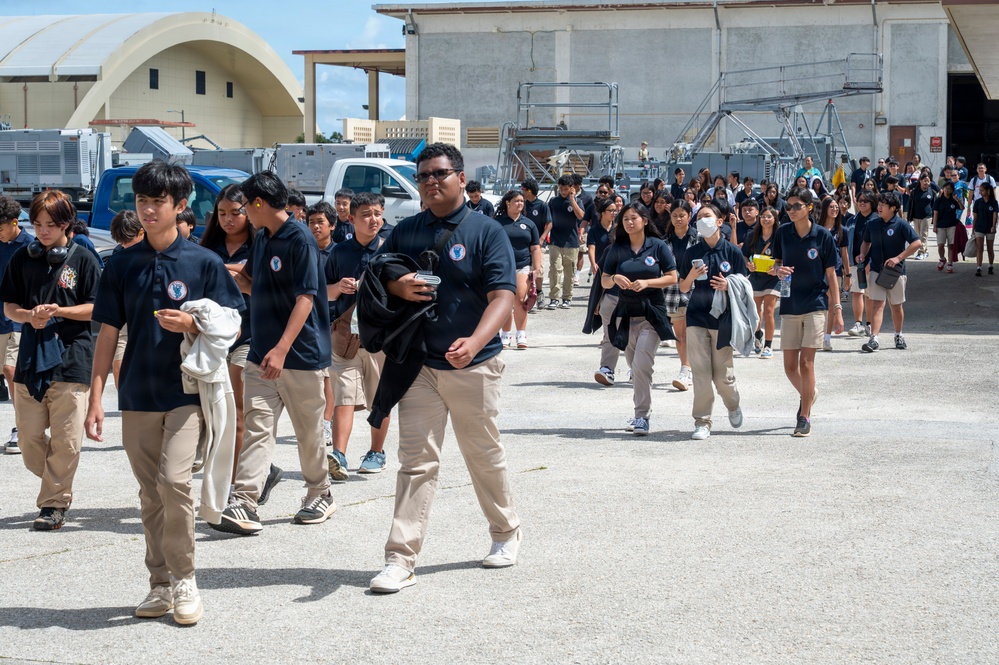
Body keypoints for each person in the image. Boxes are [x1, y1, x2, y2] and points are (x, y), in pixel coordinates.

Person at [85, 160, 246, 625]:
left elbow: (232, 324)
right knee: (150, 494)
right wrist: (97, 399)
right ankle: (159, 584)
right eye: (142, 201)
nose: (148, 209)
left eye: (158, 202)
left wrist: (193, 323)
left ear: (180, 207)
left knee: (175, 482)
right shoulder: (121, 263)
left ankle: (185, 579)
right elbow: (107, 333)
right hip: (135, 394)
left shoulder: (204, 262)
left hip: (185, 393)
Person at [366, 143, 520, 594]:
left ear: (459, 176)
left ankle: (505, 533)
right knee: (415, 462)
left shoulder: (486, 231)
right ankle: (400, 558)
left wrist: (474, 342)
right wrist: (397, 282)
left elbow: (503, 297)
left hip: (474, 365)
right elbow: (376, 272)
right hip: (418, 366)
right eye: (423, 176)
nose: (431, 182)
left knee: (483, 455)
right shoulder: (406, 230)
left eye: (439, 174)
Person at [221, 171, 334, 534]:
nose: (243, 217)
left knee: (308, 433)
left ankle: (320, 492)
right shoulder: (262, 238)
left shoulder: (299, 239)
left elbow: (306, 298)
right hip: (261, 353)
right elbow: (254, 284)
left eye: (245, 208)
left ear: (258, 204)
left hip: (298, 356)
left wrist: (282, 349)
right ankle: (245, 500)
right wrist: (221, 274)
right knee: (257, 429)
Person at [0, 190, 100, 530]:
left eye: (51, 225)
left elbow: (96, 308)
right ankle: (58, 481)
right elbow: (8, 305)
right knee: (28, 440)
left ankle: (53, 505)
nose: (43, 231)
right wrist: (28, 316)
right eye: (38, 224)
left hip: (73, 359)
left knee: (67, 440)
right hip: (30, 358)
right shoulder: (21, 259)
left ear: (66, 224)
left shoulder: (84, 258)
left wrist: (59, 311)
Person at [200, 185, 282, 501]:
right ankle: (263, 469)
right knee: (215, 416)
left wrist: (225, 273)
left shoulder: (260, 244)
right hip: (213, 340)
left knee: (239, 414)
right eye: (222, 213)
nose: (229, 219)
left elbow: (258, 282)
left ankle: (236, 487)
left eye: (235, 212)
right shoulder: (207, 249)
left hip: (249, 337)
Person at [325, 192, 390, 477]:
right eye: (365, 214)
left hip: (379, 338)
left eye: (376, 213)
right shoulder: (339, 252)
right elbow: (320, 293)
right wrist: (339, 287)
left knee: (380, 398)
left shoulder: (389, 251)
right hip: (343, 338)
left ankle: (376, 452)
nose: (372, 219)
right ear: (351, 220)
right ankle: (338, 454)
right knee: (344, 397)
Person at [600, 203, 678, 436]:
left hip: (651, 314)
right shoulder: (617, 249)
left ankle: (642, 416)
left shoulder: (658, 246)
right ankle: (639, 413)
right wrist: (614, 278)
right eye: (625, 219)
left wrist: (648, 283)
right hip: (625, 315)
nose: (629, 222)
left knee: (643, 365)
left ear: (645, 220)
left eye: (633, 218)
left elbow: (673, 277)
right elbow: (603, 280)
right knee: (635, 366)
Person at [772, 188, 842, 437]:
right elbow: (775, 263)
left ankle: (805, 415)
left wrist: (837, 308)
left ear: (809, 207)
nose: (790, 211)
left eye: (796, 206)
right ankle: (809, 393)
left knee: (806, 362)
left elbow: (832, 274)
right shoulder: (783, 232)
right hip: (789, 303)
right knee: (790, 367)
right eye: (788, 207)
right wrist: (776, 270)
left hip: (815, 304)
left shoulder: (822, 236)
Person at [677, 204, 748, 440]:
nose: (702, 221)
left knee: (722, 374)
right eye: (698, 218)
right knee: (700, 372)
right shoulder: (691, 252)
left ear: (720, 221)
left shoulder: (732, 252)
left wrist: (730, 285)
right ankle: (702, 420)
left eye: (706, 217)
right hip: (696, 316)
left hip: (723, 319)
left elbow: (744, 287)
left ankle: (733, 404)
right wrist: (691, 276)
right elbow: (683, 288)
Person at [856, 192, 922, 352]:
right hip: (876, 270)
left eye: (882, 205)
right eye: (878, 204)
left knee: (896, 305)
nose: (878, 207)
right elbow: (866, 242)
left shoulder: (901, 224)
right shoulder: (872, 224)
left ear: (893, 208)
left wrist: (899, 258)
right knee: (877, 304)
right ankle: (874, 339)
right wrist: (863, 254)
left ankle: (898, 335)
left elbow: (917, 243)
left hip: (896, 272)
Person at [307, 200, 341, 444]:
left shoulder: (338, 253)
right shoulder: (302, 250)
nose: (316, 227)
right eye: (311, 222)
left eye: (321, 222)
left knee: (328, 376)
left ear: (333, 226)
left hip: (330, 321)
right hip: (305, 320)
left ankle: (326, 423)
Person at [0, 196, 32, 453]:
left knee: (13, 371)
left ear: (14, 222)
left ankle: (22, 426)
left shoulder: (29, 247)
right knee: (6, 372)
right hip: (0, 320)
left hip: (20, 320)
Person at [495, 190, 541, 349]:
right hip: (502, 267)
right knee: (506, 300)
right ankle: (505, 334)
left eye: (522, 201)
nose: (520, 203)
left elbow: (535, 248)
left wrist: (537, 267)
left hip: (523, 266)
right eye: (516, 201)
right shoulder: (497, 222)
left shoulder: (529, 223)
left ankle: (521, 333)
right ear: (508, 203)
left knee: (520, 299)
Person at [107, 210, 145, 389]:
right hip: (124, 316)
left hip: (151, 315)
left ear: (141, 232)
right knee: (119, 363)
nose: (124, 245)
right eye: (121, 242)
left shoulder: (155, 251)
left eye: (128, 241)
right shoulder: (118, 255)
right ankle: (125, 401)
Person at [663, 200, 698, 387]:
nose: (678, 219)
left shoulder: (698, 238)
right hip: (672, 293)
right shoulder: (665, 241)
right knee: (680, 335)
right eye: (675, 215)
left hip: (696, 292)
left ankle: (691, 368)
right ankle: (685, 368)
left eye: (682, 215)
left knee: (694, 334)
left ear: (689, 217)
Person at [589, 197, 623, 385]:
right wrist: (598, 302)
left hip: (637, 300)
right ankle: (607, 368)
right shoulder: (610, 249)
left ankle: (636, 369)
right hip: (612, 295)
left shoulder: (649, 248)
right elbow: (603, 279)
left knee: (634, 338)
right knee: (610, 335)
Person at [742, 205, 779, 359]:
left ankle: (768, 346)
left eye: (769, 216)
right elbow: (744, 255)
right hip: (756, 278)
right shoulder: (752, 236)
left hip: (773, 279)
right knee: (756, 313)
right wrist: (748, 265)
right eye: (763, 216)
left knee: (770, 311)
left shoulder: (779, 236)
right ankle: (758, 335)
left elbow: (784, 257)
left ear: (775, 219)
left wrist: (777, 267)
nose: (765, 219)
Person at [546, 174, 585, 309]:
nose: (563, 191)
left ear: (571, 188)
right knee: (555, 270)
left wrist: (572, 199)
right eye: (561, 189)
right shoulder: (553, 201)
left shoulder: (577, 202)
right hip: (555, 241)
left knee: (569, 272)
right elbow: (547, 219)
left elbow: (580, 216)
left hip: (571, 242)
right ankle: (553, 298)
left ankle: (567, 298)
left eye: (566, 189)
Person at [817, 198, 851, 352]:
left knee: (831, 304)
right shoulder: (816, 229)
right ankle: (816, 336)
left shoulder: (842, 230)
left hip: (835, 270)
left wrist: (848, 274)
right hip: (817, 270)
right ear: (825, 209)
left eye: (836, 207)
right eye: (831, 207)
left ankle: (827, 338)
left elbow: (844, 254)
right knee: (818, 304)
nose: (835, 210)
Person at [846, 191, 878, 338]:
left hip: (872, 264)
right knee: (856, 293)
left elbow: (878, 244)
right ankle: (858, 323)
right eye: (859, 200)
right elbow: (846, 243)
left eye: (865, 200)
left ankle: (869, 325)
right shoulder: (852, 220)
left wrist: (871, 261)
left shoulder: (877, 220)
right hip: (855, 261)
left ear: (872, 203)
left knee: (869, 295)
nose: (862, 203)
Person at [520, 178, 551, 301]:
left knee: (538, 269)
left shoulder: (542, 205)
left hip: (538, 243)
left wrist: (542, 238)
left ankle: (539, 292)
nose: (522, 191)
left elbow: (549, 223)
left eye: (524, 189)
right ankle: (528, 295)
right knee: (526, 270)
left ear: (530, 190)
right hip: (524, 243)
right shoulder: (522, 204)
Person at [932, 180, 963, 273]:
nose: (947, 190)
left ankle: (950, 263)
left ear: (951, 190)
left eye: (949, 189)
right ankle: (942, 258)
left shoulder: (954, 200)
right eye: (945, 188)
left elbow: (962, 208)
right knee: (940, 245)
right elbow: (935, 213)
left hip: (952, 225)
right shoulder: (938, 200)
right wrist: (934, 225)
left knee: (951, 245)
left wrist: (958, 200)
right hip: (941, 225)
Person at [907, 174, 936, 260]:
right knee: (917, 235)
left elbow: (934, 205)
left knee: (923, 235)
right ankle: (925, 251)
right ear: (920, 181)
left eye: (928, 181)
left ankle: (921, 252)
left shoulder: (932, 192)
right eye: (924, 181)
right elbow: (910, 204)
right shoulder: (915, 192)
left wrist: (935, 218)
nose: (926, 183)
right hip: (916, 216)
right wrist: (909, 217)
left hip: (927, 217)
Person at [972, 181, 998, 276]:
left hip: (990, 228)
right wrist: (973, 230)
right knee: (979, 248)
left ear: (988, 191)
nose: (980, 192)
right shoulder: (978, 202)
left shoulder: (994, 202)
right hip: (979, 228)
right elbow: (975, 217)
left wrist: (993, 226)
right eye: (980, 190)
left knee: (990, 248)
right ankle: (978, 268)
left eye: (982, 190)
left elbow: (995, 214)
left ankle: (990, 265)